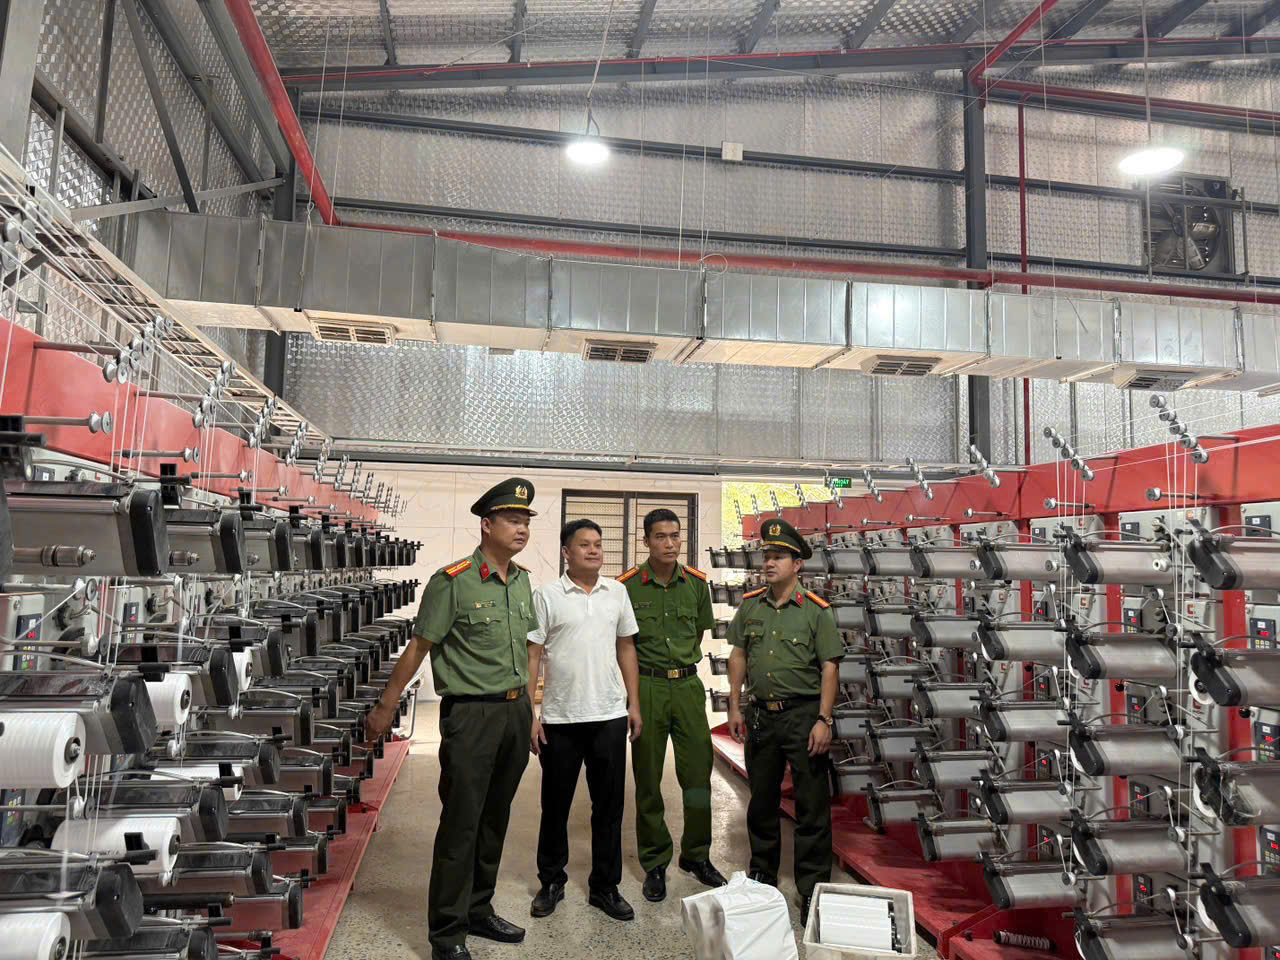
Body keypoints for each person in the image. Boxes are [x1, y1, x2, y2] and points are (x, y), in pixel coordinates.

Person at [366, 478, 538, 960]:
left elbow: (529, 650)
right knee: (462, 823)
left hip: (514, 711)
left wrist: (531, 709)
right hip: (471, 715)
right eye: (513, 520)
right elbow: (419, 646)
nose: (522, 529)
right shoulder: (453, 580)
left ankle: (478, 910)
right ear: (487, 525)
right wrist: (386, 704)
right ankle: (446, 933)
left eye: (526, 522)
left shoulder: (522, 581)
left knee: (495, 819)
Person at [725, 518, 842, 928]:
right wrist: (734, 706)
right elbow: (738, 655)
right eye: (767, 556)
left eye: (778, 557)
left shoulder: (816, 611)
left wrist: (824, 719)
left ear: (797, 564)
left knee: (811, 805)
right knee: (762, 801)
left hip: (803, 716)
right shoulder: (751, 605)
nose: (769, 563)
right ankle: (762, 877)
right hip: (760, 716)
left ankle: (812, 887)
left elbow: (830, 667)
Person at [526, 519, 643, 922]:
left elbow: (626, 647)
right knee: (554, 806)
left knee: (609, 807)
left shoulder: (617, 592)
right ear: (566, 552)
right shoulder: (547, 595)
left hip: (608, 715)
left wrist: (634, 704)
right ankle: (551, 881)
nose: (594, 551)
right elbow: (533, 655)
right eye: (584, 545)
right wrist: (531, 714)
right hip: (560, 718)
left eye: (598, 544)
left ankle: (605, 887)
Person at [619, 508, 726, 903]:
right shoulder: (628, 587)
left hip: (687, 686)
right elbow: (625, 645)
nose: (669, 543)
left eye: (675, 536)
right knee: (647, 778)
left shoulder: (696, 584)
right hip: (647, 686)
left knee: (697, 776)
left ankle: (696, 855)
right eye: (660, 536)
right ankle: (655, 861)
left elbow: (697, 633)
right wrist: (633, 700)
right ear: (646, 540)